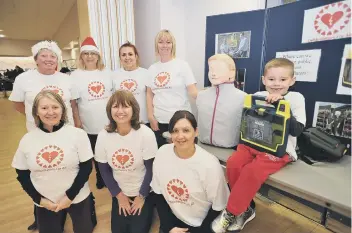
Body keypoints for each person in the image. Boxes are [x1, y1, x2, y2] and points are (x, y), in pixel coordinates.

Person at [211, 58, 306, 233]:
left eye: (283, 79)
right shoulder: (258, 95)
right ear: (263, 80)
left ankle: (231, 211)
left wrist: (282, 105)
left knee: (252, 171)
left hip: (280, 150)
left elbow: (297, 130)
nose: (276, 84)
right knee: (233, 163)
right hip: (254, 143)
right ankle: (245, 208)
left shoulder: (296, 98)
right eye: (271, 79)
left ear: (292, 81)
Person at [8, 40, 80, 231]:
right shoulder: (24, 79)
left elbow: (73, 105)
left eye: (52, 56)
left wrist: (78, 126)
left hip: (67, 132)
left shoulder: (66, 79)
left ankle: (74, 207)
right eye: (44, 55)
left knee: (69, 168)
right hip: (38, 134)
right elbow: (17, 104)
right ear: (36, 59)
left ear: (57, 60)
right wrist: (42, 118)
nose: (48, 59)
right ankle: (40, 212)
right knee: (41, 173)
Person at [12, 90, 94, 233]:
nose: (50, 112)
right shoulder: (28, 139)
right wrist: (39, 200)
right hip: (45, 201)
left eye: (55, 107)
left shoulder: (78, 135)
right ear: (36, 112)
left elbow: (86, 168)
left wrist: (69, 197)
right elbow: (22, 174)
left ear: (63, 109)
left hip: (77, 197)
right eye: (44, 108)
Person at [151, 110, 230, 233]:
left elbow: (218, 207)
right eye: (175, 131)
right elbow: (158, 193)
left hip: (201, 223)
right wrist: (169, 227)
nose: (180, 136)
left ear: (196, 132)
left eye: (186, 130)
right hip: (173, 219)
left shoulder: (209, 165)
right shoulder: (162, 153)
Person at [94, 90, 158, 233]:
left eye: (126, 106)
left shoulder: (145, 133)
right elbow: (103, 170)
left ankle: (150, 206)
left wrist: (141, 197)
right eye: (116, 106)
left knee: (138, 230)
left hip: (144, 190)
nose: (120, 111)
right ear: (109, 110)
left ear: (134, 110)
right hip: (120, 191)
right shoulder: (103, 135)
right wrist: (119, 196)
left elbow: (151, 170)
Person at [70, 36, 114, 189]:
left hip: (108, 121)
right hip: (88, 122)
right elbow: (73, 102)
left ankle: (111, 177)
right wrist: (77, 121)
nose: (89, 56)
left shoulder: (107, 73)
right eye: (86, 53)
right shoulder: (75, 75)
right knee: (96, 153)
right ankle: (101, 177)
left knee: (109, 151)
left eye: (92, 53)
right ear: (81, 56)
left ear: (98, 56)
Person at [147, 29, 198, 148]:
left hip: (181, 120)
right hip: (160, 121)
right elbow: (149, 94)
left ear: (173, 45)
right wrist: (150, 116)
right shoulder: (152, 69)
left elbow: (193, 91)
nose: (164, 45)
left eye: (168, 42)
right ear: (156, 45)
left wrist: (212, 96)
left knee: (183, 154)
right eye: (161, 42)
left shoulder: (182, 65)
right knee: (163, 155)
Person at [197, 54, 246, 149]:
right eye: (211, 69)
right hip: (202, 145)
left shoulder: (243, 97)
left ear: (232, 73)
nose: (213, 73)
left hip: (229, 148)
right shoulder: (201, 95)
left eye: (219, 70)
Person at [113, 42, 149, 124]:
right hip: (122, 121)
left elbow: (150, 97)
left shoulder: (146, 73)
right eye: (123, 55)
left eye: (130, 54)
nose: (127, 57)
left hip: (143, 120)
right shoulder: (114, 75)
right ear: (120, 58)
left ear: (136, 56)